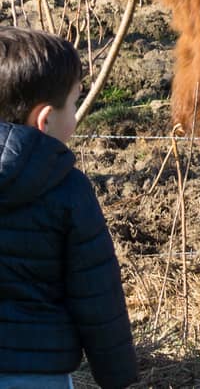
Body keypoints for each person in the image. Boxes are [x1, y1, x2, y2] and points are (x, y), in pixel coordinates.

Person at [0, 26, 137, 389]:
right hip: (38, 374)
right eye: (74, 104)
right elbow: (96, 295)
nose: (75, 116)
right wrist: (117, 376)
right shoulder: (68, 188)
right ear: (44, 121)